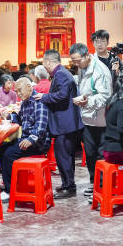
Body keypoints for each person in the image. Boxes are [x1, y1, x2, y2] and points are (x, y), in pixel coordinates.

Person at [34, 49, 84, 199]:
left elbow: (62, 95)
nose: (44, 66)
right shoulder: (61, 73)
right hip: (66, 123)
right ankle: (67, 184)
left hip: (65, 124)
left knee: (64, 156)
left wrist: (44, 97)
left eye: (44, 63)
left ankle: (69, 187)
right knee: (65, 156)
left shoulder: (61, 74)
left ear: (48, 61)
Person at [0, 77, 51, 202]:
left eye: (20, 90)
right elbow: (21, 119)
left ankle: (10, 191)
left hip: (38, 143)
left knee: (9, 154)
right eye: (16, 91)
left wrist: (31, 140)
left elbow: (41, 126)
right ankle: (12, 183)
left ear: (29, 87)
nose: (18, 94)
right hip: (25, 138)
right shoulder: (25, 102)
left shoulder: (39, 101)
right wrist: (10, 116)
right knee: (1, 149)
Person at [70, 42, 112, 198]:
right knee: (90, 153)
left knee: (101, 154)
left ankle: (102, 187)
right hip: (87, 118)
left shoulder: (100, 70)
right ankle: (94, 184)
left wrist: (87, 101)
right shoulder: (83, 67)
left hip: (101, 119)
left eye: (77, 61)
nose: (76, 64)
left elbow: (105, 96)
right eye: (73, 61)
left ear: (87, 55)